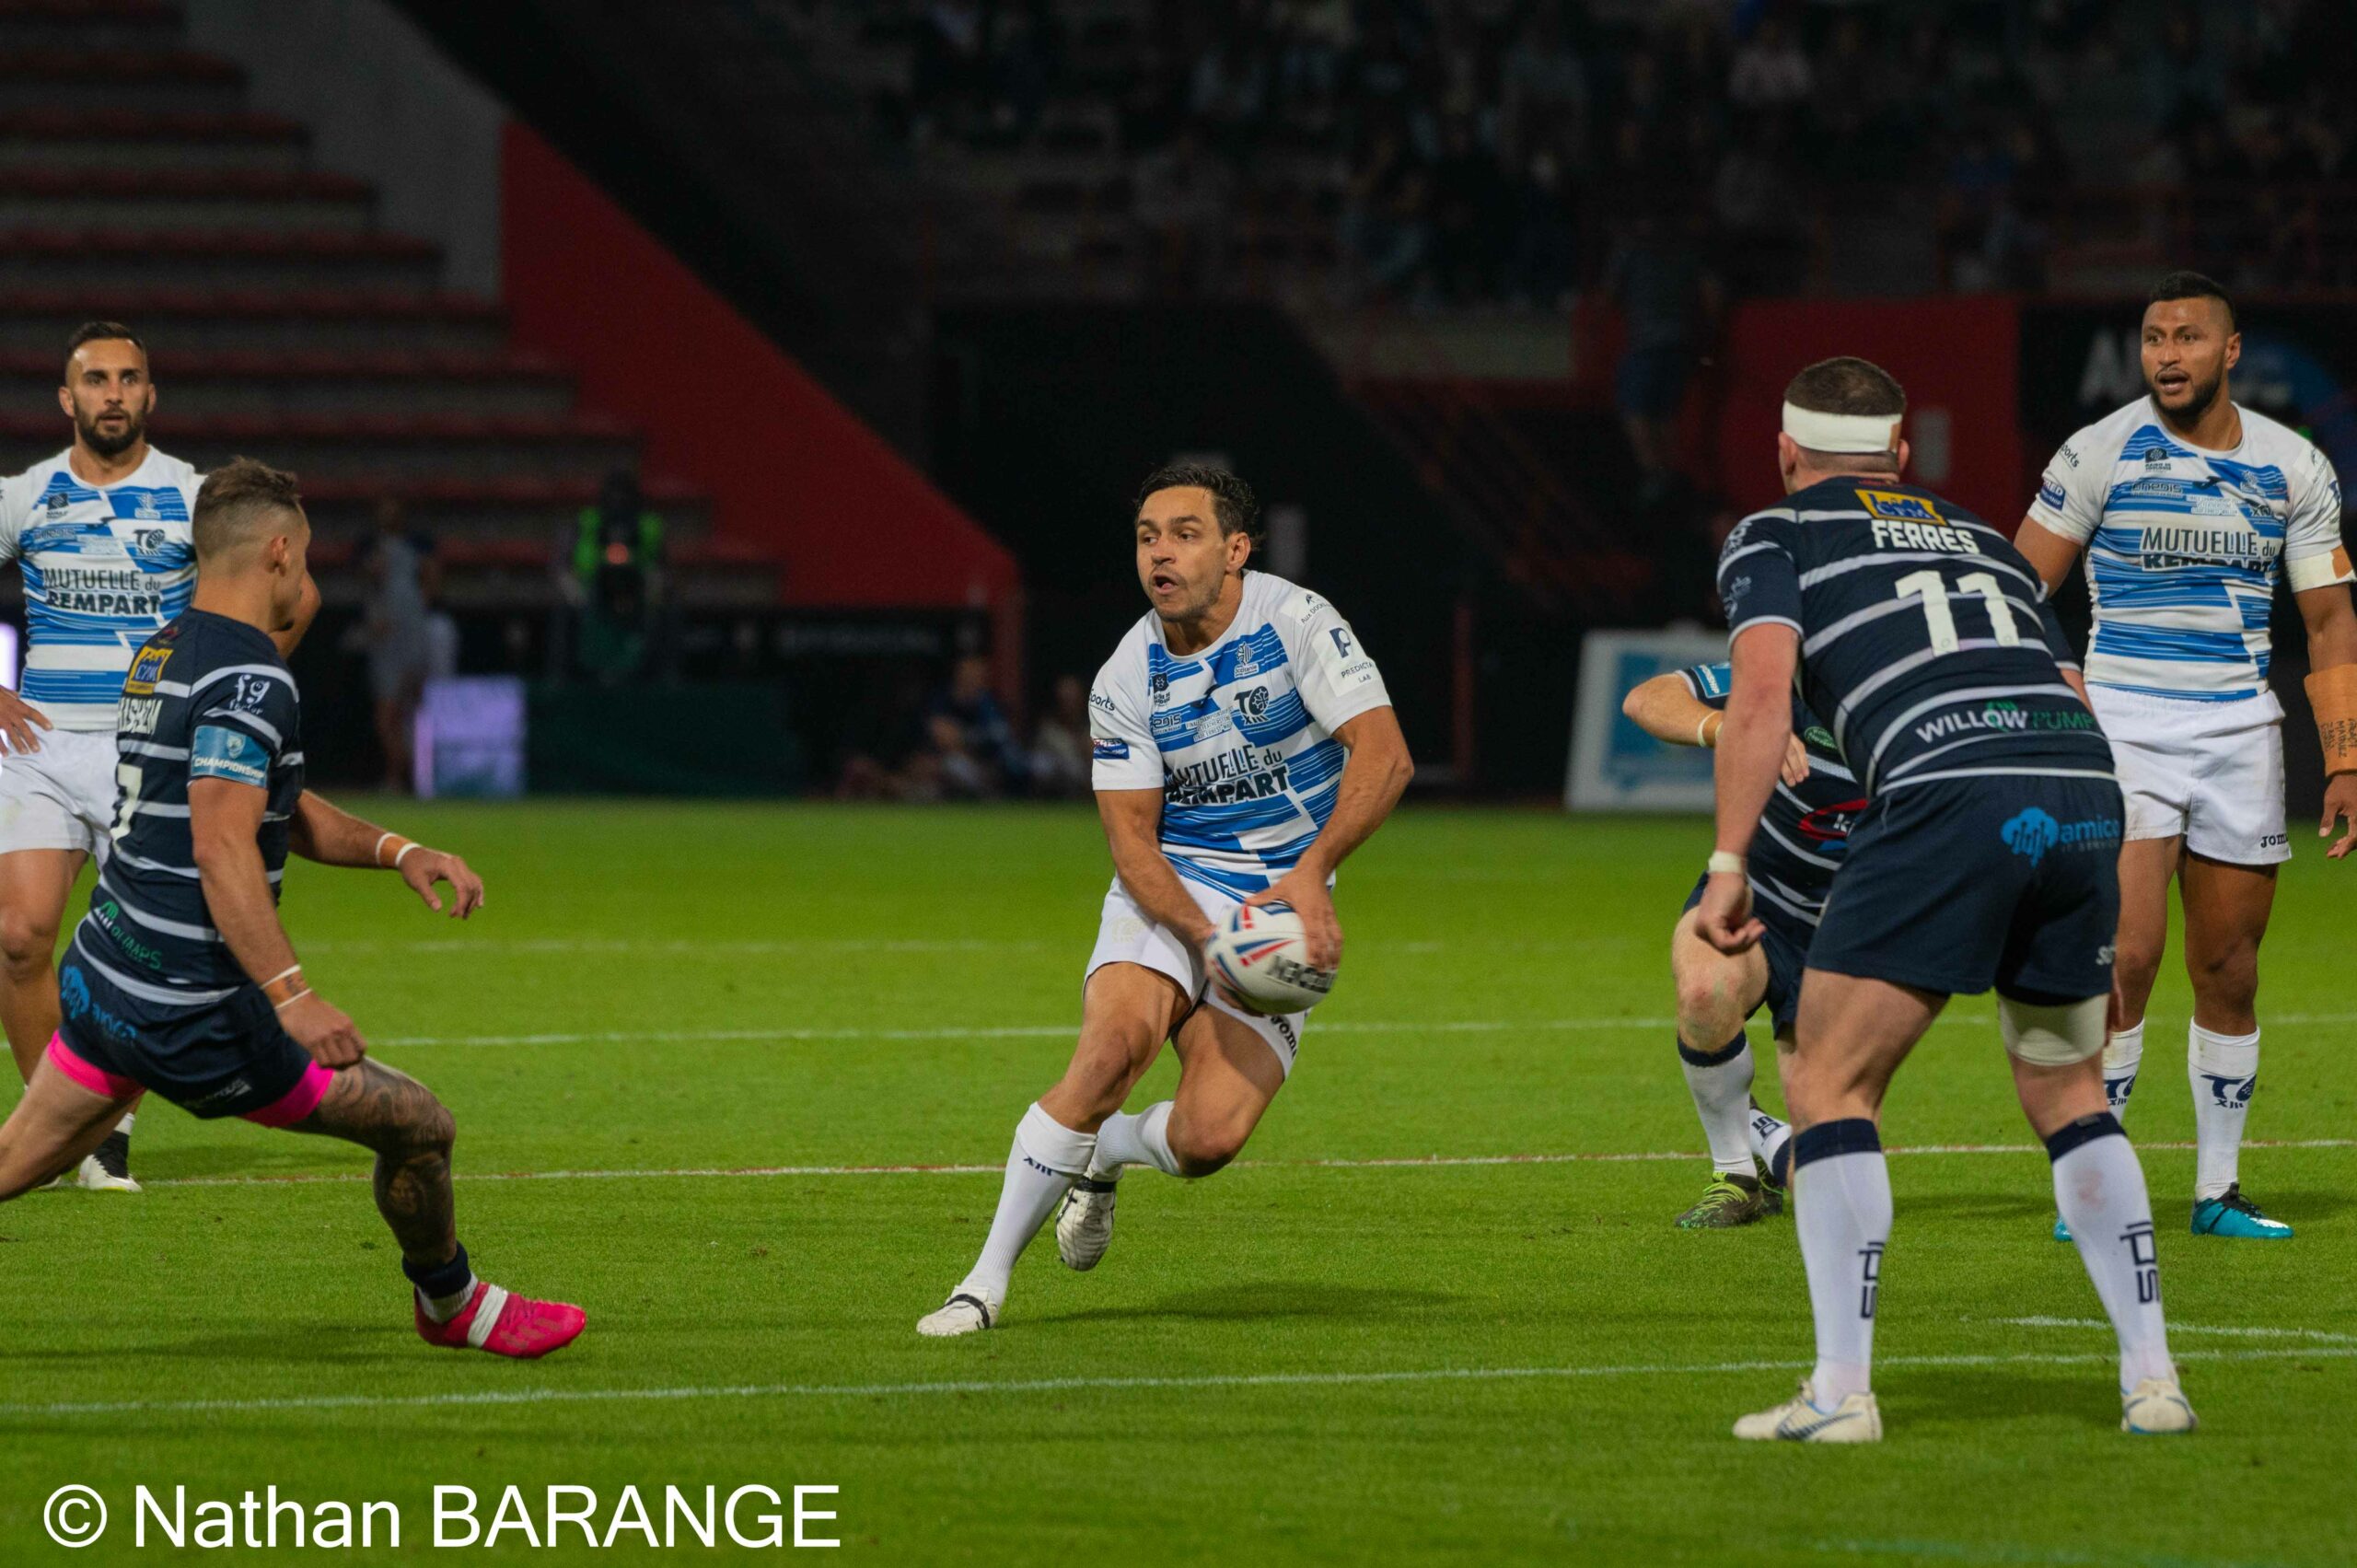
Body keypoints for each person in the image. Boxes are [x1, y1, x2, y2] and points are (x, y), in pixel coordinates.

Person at [1701, 356, 2190, 1441]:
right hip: (2081, 789)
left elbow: (1763, 697)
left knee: (1826, 1080)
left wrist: (1729, 861)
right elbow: (2068, 688)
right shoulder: (1981, 537)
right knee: (2067, 1087)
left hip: (1944, 786)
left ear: (1784, 452)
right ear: (1899, 453)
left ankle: (1839, 1391)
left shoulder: (1773, 534)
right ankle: (2152, 1379)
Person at [0, 459, 584, 1358]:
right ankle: (452, 1304)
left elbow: (271, 802)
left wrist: (400, 850)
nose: (307, 580)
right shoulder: (251, 680)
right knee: (421, 1125)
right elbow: (223, 842)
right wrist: (293, 995)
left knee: (12, 1159)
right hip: (194, 1019)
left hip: (105, 977)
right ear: (278, 552)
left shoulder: (160, 652)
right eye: (304, 559)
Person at [916, 463, 1412, 1337]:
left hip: (1282, 900)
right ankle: (981, 1284)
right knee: (1108, 1057)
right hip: (1172, 890)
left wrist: (1311, 872)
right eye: (1147, 536)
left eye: (1185, 534)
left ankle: (1107, 1153)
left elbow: (1386, 756)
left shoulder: (1296, 622)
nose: (1161, 553)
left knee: (1208, 1140)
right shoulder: (1126, 675)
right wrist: (1205, 934)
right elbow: (1133, 846)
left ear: (1236, 549)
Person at [2014, 272, 2355, 1242]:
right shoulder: (2099, 450)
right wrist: (2058, 688)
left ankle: (2217, 1190)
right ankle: (2095, 1185)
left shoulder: (2293, 465)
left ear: (2230, 350)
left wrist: (2345, 759)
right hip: (2124, 725)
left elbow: (2329, 621)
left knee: (2229, 968)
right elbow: (2018, 585)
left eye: (2187, 337)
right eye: (2154, 338)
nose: (2166, 355)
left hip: (2240, 732)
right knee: (2124, 958)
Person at [0, 321, 317, 1192]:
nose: (113, 393)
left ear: (150, 394)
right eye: (95, 378)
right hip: (41, 743)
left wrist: (231, 685)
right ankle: (61, 1132)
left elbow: (300, 595)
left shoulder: (191, 494)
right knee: (20, 937)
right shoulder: (25, 496)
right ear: (66, 397)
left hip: (150, 742)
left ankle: (104, 1133)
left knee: (153, 949)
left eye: (129, 378)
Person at [1624, 662, 1860, 1226]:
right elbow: (1647, 698)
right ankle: (1734, 1174)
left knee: (1827, 1188)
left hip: (1858, 928)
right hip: (1758, 897)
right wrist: (1730, 728)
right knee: (1705, 993)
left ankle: (1765, 1134)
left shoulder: (1926, 699)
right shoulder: (1781, 672)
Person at [360, 497, 433, 794]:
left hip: (411, 630)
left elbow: (431, 579)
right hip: (384, 634)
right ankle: (397, 772)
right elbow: (369, 581)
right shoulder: (370, 546)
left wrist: (416, 614)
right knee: (386, 710)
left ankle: (419, 774)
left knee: (413, 706)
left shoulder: (419, 545)